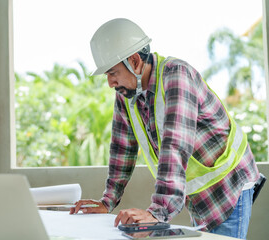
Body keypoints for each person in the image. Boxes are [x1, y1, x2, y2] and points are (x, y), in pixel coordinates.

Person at [69, 18, 262, 239]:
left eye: (112, 73)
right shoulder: (126, 93)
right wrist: (107, 201)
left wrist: (157, 213)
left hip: (228, 185)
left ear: (134, 61)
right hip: (197, 195)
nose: (110, 82)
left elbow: (175, 147)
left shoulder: (177, 76)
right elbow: (122, 150)